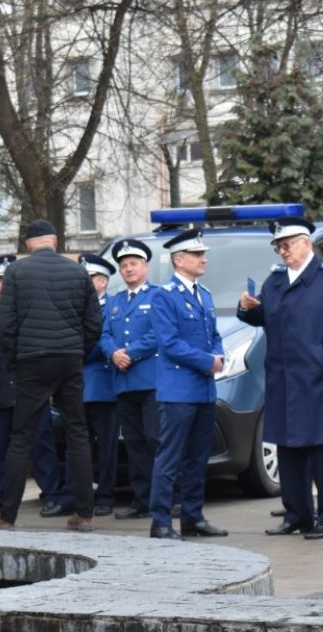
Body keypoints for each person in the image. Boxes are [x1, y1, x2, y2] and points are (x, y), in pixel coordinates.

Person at [238, 215, 323, 541]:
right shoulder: (275, 281)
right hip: (283, 380)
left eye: (287, 244)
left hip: (317, 380)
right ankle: (297, 515)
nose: (283, 251)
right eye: (279, 246)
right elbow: (264, 316)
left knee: (322, 454)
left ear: (306, 243)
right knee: (288, 452)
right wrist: (247, 308)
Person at [0, 219, 101, 532]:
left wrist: (15, 361)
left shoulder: (16, 272)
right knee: (78, 432)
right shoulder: (78, 271)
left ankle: (7, 517)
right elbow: (94, 322)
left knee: (21, 436)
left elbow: (5, 325)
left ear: (28, 244)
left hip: (31, 360)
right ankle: (85, 514)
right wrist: (78, 352)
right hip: (69, 359)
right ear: (55, 240)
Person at [0, 255, 64, 518]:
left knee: (41, 443)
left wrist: (49, 385)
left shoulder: (32, 307)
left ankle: (51, 495)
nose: (9, 285)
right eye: (2, 280)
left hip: (32, 390)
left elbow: (45, 348)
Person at [148, 228, 227, 540]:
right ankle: (160, 522)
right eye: (197, 254)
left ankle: (193, 517)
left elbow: (214, 335)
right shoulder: (164, 296)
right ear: (179, 260)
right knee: (170, 458)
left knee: (197, 458)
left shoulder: (203, 294)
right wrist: (208, 361)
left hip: (203, 390)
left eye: (202, 253)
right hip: (179, 390)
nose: (203, 259)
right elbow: (169, 344)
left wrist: (219, 355)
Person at [101, 238, 161, 521]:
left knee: (156, 440)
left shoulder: (158, 296)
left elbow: (158, 333)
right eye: (124, 265)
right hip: (124, 383)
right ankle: (142, 499)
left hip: (150, 381)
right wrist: (113, 353)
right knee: (135, 443)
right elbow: (103, 335)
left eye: (133, 263)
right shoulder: (114, 302)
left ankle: (165, 497)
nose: (128, 269)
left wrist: (130, 354)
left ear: (145, 267)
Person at [70, 252, 119, 516]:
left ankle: (105, 495)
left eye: (89, 278)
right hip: (74, 385)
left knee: (106, 446)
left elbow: (103, 343)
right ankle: (79, 495)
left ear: (103, 281)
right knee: (78, 444)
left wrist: (72, 352)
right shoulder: (73, 307)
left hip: (102, 386)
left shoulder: (111, 307)